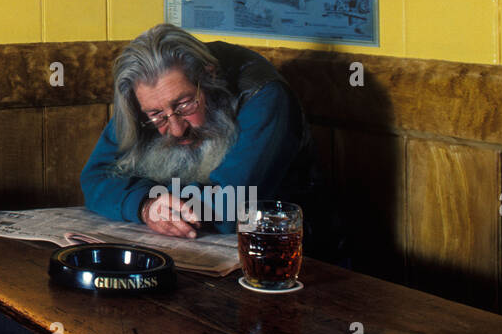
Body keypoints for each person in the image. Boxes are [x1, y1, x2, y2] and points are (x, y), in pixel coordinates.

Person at [81, 23, 344, 262]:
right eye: (156, 115)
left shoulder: (264, 96)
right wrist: (144, 206)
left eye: (185, 105)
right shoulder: (143, 97)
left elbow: (229, 207)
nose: (175, 129)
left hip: (296, 263)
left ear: (209, 77)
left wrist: (155, 203)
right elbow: (94, 177)